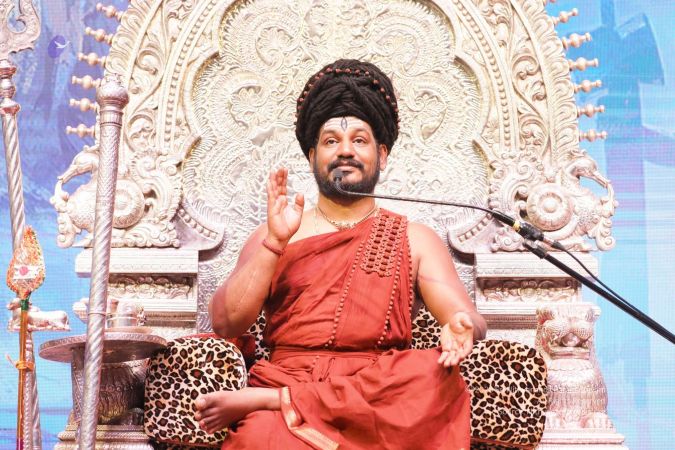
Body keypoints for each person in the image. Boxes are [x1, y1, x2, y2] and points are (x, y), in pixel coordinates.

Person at [194, 59, 487, 449]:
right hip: (287, 382)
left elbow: (465, 319)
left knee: (430, 372)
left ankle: (269, 400)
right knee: (260, 440)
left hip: (375, 401)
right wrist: (275, 243)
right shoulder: (276, 233)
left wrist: (463, 325)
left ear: (382, 155)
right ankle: (279, 402)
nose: (345, 151)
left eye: (359, 140)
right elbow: (226, 323)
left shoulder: (416, 239)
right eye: (331, 141)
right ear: (312, 156)